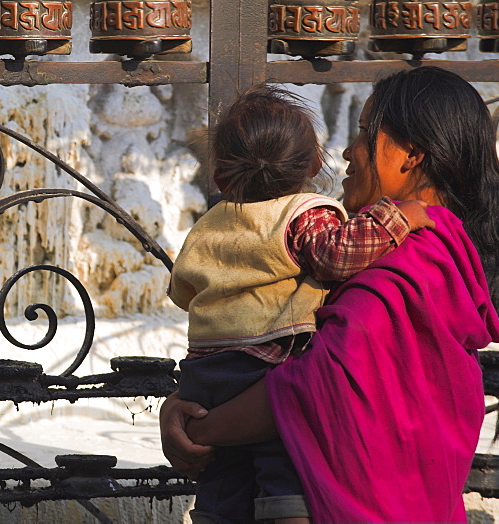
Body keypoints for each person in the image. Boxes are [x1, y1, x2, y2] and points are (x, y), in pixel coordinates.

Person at [160, 67, 499, 523]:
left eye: (363, 134)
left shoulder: (407, 259)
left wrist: (199, 425)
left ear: (411, 154)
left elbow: (317, 383)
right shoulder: (407, 248)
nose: (347, 152)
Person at [168, 84, 433, 524]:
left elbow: (183, 291)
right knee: (284, 462)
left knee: (222, 479)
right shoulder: (307, 212)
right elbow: (337, 256)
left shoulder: (209, 223)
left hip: (206, 375)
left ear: (220, 180)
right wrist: (396, 216)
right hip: (267, 363)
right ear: (313, 163)